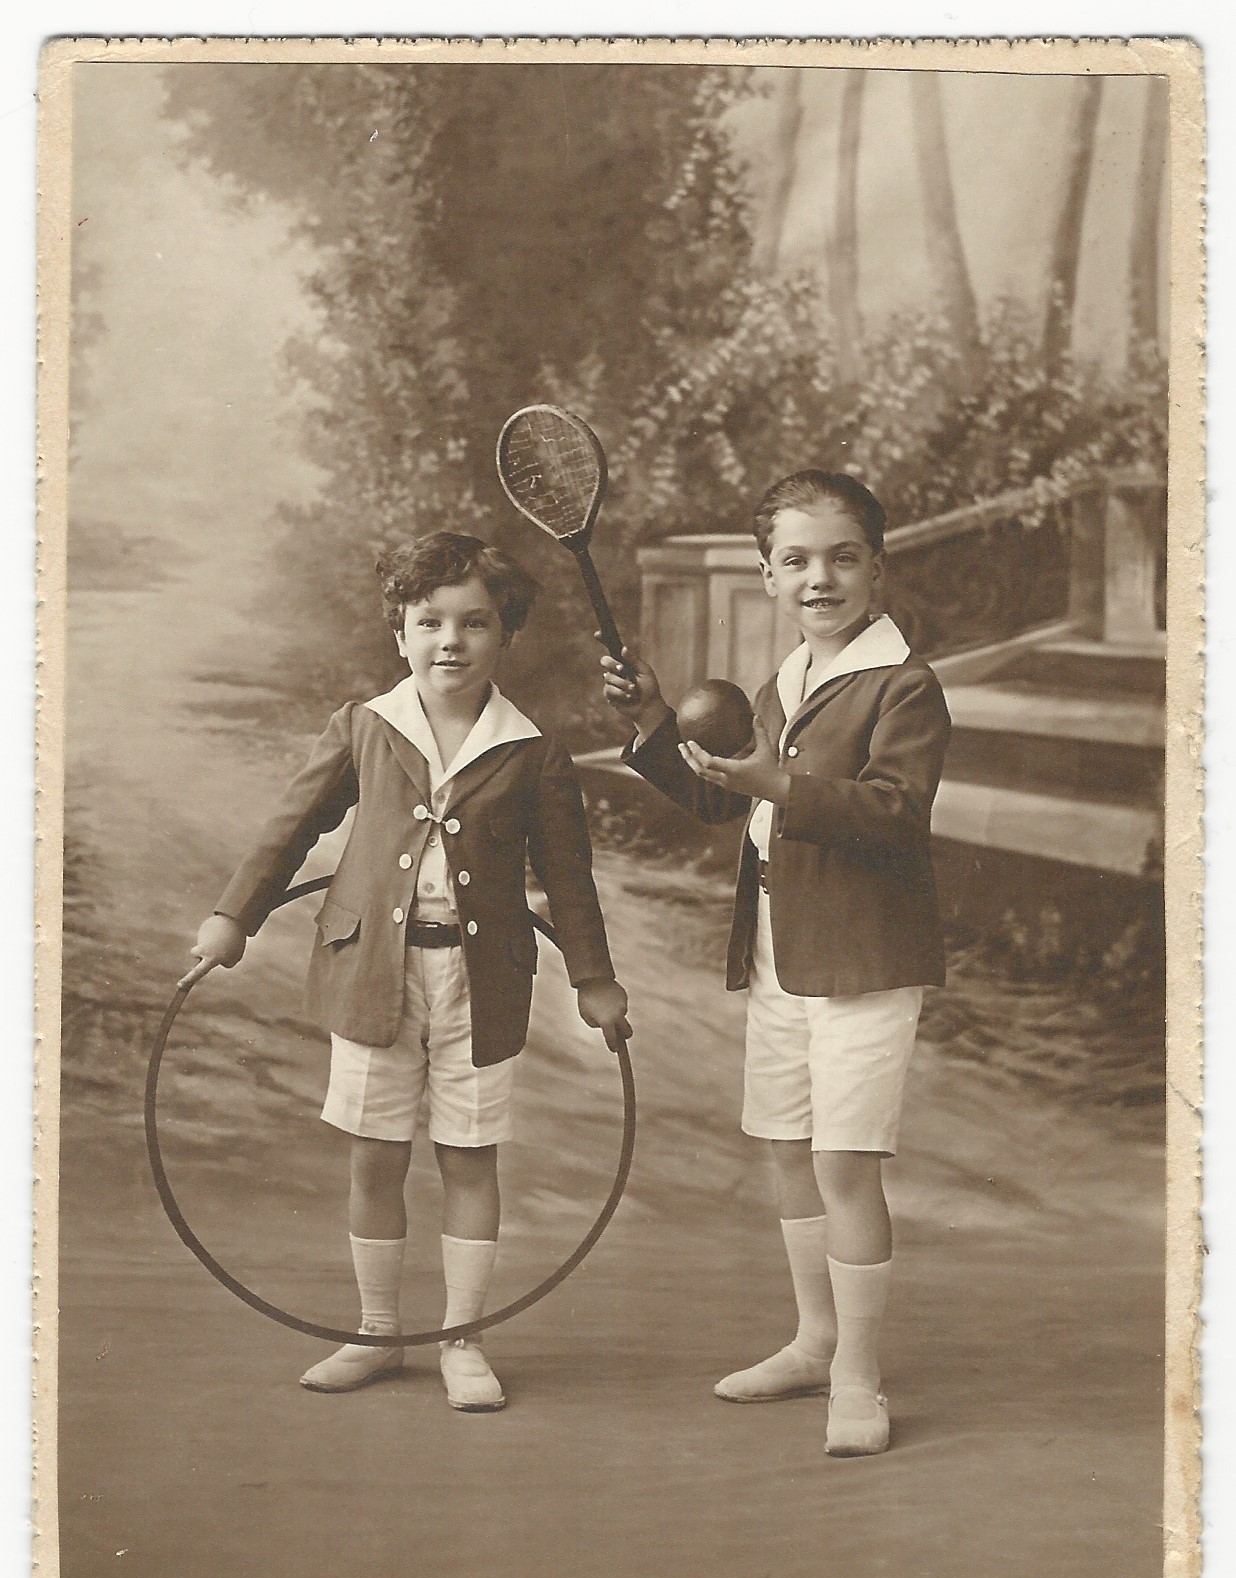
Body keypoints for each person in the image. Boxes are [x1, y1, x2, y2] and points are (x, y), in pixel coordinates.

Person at [191, 532, 630, 1412]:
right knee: (376, 1156)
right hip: (371, 978)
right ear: (400, 633)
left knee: (469, 1157)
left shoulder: (531, 750)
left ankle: (462, 1337)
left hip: (480, 982)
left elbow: (568, 878)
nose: (450, 641)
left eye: (475, 623)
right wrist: (234, 916)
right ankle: (379, 1331)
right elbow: (291, 827)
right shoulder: (366, 727)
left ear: (505, 635)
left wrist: (593, 978)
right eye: (429, 622)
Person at [601, 470, 949, 1456]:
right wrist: (652, 722)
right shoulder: (785, 680)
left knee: (844, 1160)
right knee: (790, 1149)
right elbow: (724, 799)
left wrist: (782, 784)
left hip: (863, 957)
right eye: (795, 560)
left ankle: (858, 1378)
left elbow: (896, 813)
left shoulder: (903, 684)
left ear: (878, 569)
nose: (819, 577)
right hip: (779, 949)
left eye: (843, 557)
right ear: (767, 576)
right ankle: (814, 1342)